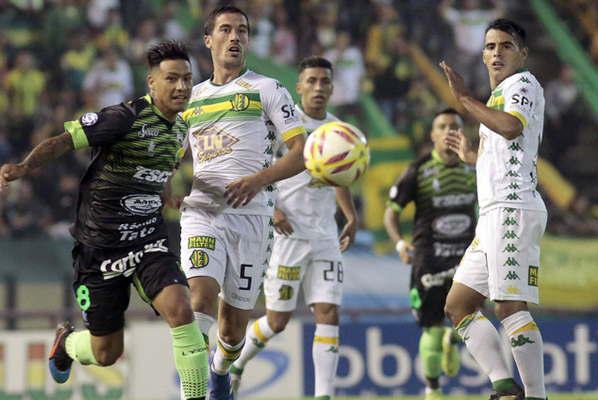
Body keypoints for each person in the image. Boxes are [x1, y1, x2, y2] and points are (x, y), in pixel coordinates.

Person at [0, 41, 209, 400]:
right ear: (151, 83)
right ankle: (67, 345)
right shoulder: (123, 117)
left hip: (148, 240)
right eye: (172, 79)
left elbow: (153, 171)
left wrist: (167, 195)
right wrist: (23, 168)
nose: (181, 87)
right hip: (99, 248)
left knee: (181, 310)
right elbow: (63, 142)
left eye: (187, 79)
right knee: (106, 353)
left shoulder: (180, 129)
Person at [179, 6, 306, 400]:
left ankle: (220, 372)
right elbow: (169, 156)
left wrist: (258, 180)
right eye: (226, 30)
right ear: (208, 40)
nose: (235, 37)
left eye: (242, 31)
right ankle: (193, 394)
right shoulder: (191, 99)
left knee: (233, 329)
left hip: (253, 219)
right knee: (199, 297)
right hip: (203, 214)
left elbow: (301, 152)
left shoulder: (268, 89)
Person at [228, 56, 359, 400]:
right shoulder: (284, 126)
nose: (318, 88)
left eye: (324, 82)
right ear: (299, 86)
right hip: (287, 236)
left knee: (328, 312)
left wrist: (350, 215)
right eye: (312, 81)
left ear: (332, 88)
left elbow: (340, 176)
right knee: (277, 321)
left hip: (325, 236)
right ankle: (237, 363)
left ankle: (323, 395)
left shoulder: (336, 130)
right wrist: (272, 211)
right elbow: (257, 168)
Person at [440, 18, 547, 400]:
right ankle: (505, 388)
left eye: (506, 45)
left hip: (512, 208)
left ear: (523, 54)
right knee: (459, 305)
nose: (497, 52)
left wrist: (464, 99)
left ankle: (536, 395)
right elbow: (506, 150)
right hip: (493, 214)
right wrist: (473, 157)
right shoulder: (499, 95)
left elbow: (512, 128)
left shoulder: (522, 84)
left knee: (508, 306)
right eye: (490, 46)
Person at [384, 108, 475, 400]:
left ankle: (452, 343)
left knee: (471, 320)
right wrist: (399, 243)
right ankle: (433, 390)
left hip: (469, 258)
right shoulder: (419, 170)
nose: (449, 130)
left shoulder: (476, 166)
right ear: (433, 134)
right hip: (429, 261)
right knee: (432, 328)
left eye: (454, 126)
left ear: (462, 134)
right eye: (443, 126)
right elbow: (391, 214)